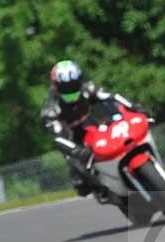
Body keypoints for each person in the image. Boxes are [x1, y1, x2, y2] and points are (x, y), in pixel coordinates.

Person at [41, 60, 148, 197]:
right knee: (81, 181)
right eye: (66, 87)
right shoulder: (51, 109)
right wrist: (78, 152)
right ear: (56, 86)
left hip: (98, 124)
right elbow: (58, 138)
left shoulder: (88, 89)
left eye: (74, 84)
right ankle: (100, 186)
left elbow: (113, 97)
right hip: (76, 139)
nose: (71, 90)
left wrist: (135, 108)